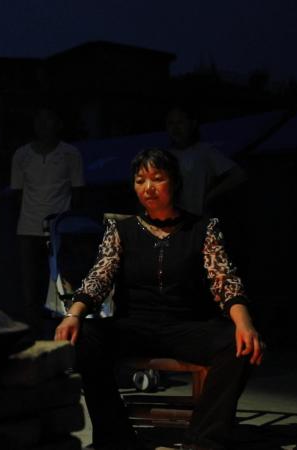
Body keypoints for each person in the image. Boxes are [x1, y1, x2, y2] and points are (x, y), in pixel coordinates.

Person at [55, 148, 263, 450]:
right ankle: (115, 437)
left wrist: (245, 323)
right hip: (135, 326)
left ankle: (203, 440)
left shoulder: (203, 228)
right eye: (140, 180)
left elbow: (225, 280)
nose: (148, 187)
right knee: (85, 337)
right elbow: (100, 275)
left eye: (157, 178)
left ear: (174, 183)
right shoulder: (121, 229)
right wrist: (73, 313)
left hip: (185, 326)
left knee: (240, 344)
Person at [11, 108, 85, 335]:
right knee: (31, 288)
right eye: (39, 120)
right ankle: (33, 335)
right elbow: (17, 193)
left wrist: (68, 223)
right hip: (28, 228)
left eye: (48, 119)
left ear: (58, 123)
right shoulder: (21, 155)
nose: (43, 125)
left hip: (60, 231)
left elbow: (78, 190)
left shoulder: (70, 153)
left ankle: (64, 332)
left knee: (63, 285)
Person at [166, 105, 246, 216]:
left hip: (200, 222)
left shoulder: (205, 151)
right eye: (171, 123)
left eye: (180, 122)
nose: (175, 128)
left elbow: (238, 175)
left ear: (192, 124)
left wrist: (210, 195)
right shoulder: (163, 157)